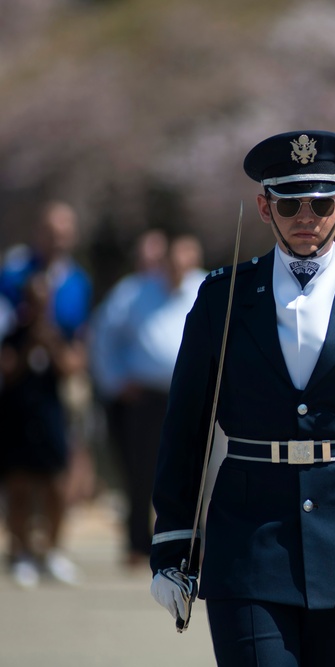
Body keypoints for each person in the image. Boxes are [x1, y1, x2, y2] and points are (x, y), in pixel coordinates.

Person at [148, 130, 335, 667]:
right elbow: (186, 427)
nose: (307, 215)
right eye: (289, 202)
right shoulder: (222, 298)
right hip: (248, 541)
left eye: (322, 202)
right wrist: (174, 543)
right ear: (264, 206)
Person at [89, 232, 205, 569]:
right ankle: (138, 542)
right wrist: (115, 380)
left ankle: (193, 544)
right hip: (146, 396)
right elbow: (103, 337)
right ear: (164, 259)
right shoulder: (134, 291)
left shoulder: (204, 287)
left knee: (194, 469)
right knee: (141, 472)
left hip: (193, 392)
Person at [0, 201, 91, 588]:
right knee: (17, 479)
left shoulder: (76, 282)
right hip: (16, 396)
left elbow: (77, 348)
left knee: (57, 477)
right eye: (51, 231)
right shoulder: (12, 273)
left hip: (55, 394)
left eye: (64, 232)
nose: (57, 239)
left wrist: (49, 336)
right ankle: (19, 550)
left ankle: (51, 550)